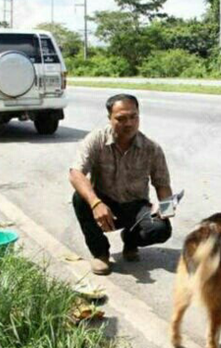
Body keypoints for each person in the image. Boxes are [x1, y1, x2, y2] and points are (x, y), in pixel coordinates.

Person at [69, 94, 173, 275]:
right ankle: (100, 253)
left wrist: (166, 208)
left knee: (161, 229)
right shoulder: (97, 140)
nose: (129, 123)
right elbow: (75, 173)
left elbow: (162, 184)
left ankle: (130, 239)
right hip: (104, 204)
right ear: (109, 118)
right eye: (121, 119)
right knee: (79, 198)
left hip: (135, 206)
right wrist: (95, 203)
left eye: (134, 117)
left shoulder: (151, 148)